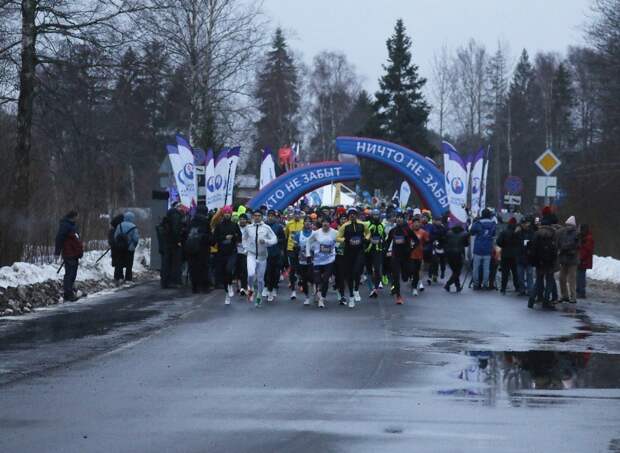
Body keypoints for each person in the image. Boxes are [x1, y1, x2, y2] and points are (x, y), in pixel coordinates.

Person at [243, 210, 277, 307]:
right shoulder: (248, 228)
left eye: (259, 216)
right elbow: (244, 238)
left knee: (260, 279)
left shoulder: (266, 228)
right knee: (250, 274)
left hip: (262, 256)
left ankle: (259, 296)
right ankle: (251, 289)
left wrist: (266, 242)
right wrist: (245, 248)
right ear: (253, 217)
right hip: (251, 254)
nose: (257, 217)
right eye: (255, 216)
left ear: (262, 217)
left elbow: (274, 239)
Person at [337, 208, 370, 308]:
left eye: (354, 214)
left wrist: (365, 239)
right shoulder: (344, 226)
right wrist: (345, 240)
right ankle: (351, 297)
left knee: (357, 271)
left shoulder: (362, 224)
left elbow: (368, 233)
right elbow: (338, 237)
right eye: (350, 214)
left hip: (359, 251)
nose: (352, 216)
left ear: (357, 215)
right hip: (348, 253)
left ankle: (356, 290)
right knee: (350, 275)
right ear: (348, 216)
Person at [385, 212, 418, 304]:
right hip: (395, 256)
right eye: (397, 217)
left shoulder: (407, 230)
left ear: (404, 219)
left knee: (405, 276)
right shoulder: (393, 231)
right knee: (396, 276)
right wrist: (384, 252)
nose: (399, 219)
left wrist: (411, 249)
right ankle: (398, 296)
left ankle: (406, 276)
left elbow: (416, 241)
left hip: (406, 257)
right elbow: (387, 242)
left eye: (401, 217)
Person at [528, 212, 558, 309]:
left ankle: (531, 299)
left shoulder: (536, 234)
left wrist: (534, 260)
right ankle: (546, 300)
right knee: (549, 281)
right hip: (549, 262)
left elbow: (533, 249)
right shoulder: (553, 233)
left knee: (538, 281)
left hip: (539, 262)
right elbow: (555, 248)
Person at [306, 217, 338, 308]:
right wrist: (308, 254)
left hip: (329, 260)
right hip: (318, 261)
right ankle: (318, 291)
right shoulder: (316, 233)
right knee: (317, 280)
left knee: (325, 280)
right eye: (324, 222)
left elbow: (341, 240)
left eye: (327, 222)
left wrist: (337, 248)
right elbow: (308, 241)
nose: (325, 224)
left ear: (330, 223)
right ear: (321, 223)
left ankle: (322, 299)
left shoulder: (335, 233)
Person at [213, 205, 242, 304]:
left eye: (228, 213)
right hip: (221, 252)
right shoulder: (219, 226)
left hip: (232, 252)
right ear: (223, 214)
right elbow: (214, 239)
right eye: (225, 213)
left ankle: (230, 285)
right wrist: (224, 237)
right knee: (224, 273)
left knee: (229, 269)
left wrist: (233, 237)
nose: (227, 215)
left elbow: (239, 238)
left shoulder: (234, 225)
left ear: (231, 214)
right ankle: (227, 293)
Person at [54, 210, 84, 301]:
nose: (78, 218)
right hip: (69, 253)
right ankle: (68, 293)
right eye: (77, 216)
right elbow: (59, 238)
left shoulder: (72, 225)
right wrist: (57, 252)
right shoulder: (65, 225)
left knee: (73, 273)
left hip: (74, 253)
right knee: (69, 273)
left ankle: (70, 292)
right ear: (73, 216)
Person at [158, 202, 186, 289]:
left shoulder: (169, 214)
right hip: (174, 244)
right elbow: (176, 229)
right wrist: (178, 241)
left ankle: (165, 282)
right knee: (175, 263)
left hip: (166, 243)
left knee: (166, 262)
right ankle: (174, 282)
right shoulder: (176, 215)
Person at [184, 207, 211, 293]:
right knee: (203, 268)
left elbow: (185, 235)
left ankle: (194, 287)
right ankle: (204, 287)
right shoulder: (205, 222)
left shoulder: (191, 221)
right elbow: (208, 236)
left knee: (193, 268)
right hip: (203, 249)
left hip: (191, 249)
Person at [470, 208, 496, 290]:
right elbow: (494, 234)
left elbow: (471, 232)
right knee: (486, 268)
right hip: (488, 248)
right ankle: (485, 284)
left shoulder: (478, 223)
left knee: (476, 268)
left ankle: (476, 284)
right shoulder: (492, 224)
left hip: (478, 248)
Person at [556, 216, 580, 304]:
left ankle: (573, 297)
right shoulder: (563, 233)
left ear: (573, 225)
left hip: (572, 260)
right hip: (563, 259)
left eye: (569, 225)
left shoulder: (577, 234)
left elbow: (576, 245)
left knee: (572, 279)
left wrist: (564, 247)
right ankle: (564, 295)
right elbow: (559, 243)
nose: (568, 226)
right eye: (567, 225)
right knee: (561, 278)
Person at [113, 211, 140, 283]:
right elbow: (136, 238)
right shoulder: (134, 227)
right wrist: (133, 246)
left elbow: (115, 236)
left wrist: (119, 244)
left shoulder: (119, 225)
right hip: (129, 248)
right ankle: (128, 278)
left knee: (120, 262)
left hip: (120, 247)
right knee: (129, 263)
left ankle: (119, 277)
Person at [265, 210, 286, 302]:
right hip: (265, 253)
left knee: (276, 272)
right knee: (267, 272)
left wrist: (278, 241)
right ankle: (268, 288)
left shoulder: (279, 227)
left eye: (272, 216)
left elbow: (283, 239)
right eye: (269, 216)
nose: (270, 217)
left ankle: (274, 287)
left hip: (276, 252)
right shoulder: (264, 227)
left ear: (275, 217)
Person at [496, 217, 521, 294]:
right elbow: (520, 243)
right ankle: (517, 287)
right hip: (515, 255)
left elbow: (498, 242)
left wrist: (504, 245)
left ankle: (503, 289)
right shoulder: (518, 233)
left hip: (505, 255)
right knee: (515, 272)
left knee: (505, 273)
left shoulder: (504, 232)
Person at [443, 222, 469, 292]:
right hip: (458, 254)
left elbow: (445, 242)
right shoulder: (465, 234)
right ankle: (448, 284)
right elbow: (466, 244)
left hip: (449, 254)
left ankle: (458, 286)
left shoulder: (448, 233)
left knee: (455, 271)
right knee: (457, 272)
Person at [293, 218, 314, 305]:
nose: (308, 224)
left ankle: (316, 292)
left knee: (312, 278)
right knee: (304, 279)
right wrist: (296, 247)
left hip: (313, 260)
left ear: (312, 224)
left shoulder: (315, 234)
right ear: (303, 223)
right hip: (302, 260)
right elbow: (295, 246)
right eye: (306, 222)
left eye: (309, 222)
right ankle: (307, 297)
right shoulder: (298, 234)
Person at [366, 209, 386, 298]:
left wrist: (382, 242)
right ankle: (371, 289)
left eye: (377, 215)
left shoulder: (382, 225)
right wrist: (368, 239)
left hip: (378, 250)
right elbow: (364, 235)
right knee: (369, 270)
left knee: (377, 269)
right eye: (374, 215)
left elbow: (384, 236)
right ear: (371, 216)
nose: (375, 217)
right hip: (368, 250)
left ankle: (375, 288)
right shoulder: (367, 224)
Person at [284, 208, 304, 300]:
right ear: (293, 215)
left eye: (298, 214)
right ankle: (293, 290)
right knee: (292, 269)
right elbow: (286, 235)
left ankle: (301, 282)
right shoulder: (289, 224)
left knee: (300, 268)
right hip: (291, 249)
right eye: (295, 214)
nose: (297, 215)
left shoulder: (303, 223)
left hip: (300, 249)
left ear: (300, 215)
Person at [516, 216, 536, 297]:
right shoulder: (519, 233)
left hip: (529, 257)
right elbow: (514, 242)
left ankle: (530, 290)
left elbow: (534, 244)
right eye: (523, 224)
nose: (524, 225)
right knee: (520, 275)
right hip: (520, 257)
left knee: (529, 275)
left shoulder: (532, 233)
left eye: (525, 223)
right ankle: (522, 289)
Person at [409, 217, 429, 296]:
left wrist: (424, 248)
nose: (416, 224)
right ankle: (411, 279)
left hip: (419, 255)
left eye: (418, 222)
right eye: (415, 222)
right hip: (409, 255)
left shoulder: (423, 232)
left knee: (416, 272)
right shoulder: (409, 231)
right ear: (412, 223)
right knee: (411, 270)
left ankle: (414, 288)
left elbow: (427, 242)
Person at [577, 224, 594, 299]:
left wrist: (580, 258)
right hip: (583, 259)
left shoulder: (588, 239)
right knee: (579, 275)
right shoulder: (586, 238)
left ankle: (581, 292)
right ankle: (579, 290)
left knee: (581, 276)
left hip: (584, 260)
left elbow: (586, 250)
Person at [235, 214, 249, 296]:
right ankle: (238, 286)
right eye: (241, 219)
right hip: (236, 251)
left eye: (244, 219)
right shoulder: (236, 227)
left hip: (246, 252)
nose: (242, 220)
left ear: (246, 220)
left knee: (244, 270)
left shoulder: (249, 228)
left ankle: (244, 287)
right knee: (237, 270)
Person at [108, 213, 124, 282]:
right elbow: (112, 241)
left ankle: (119, 277)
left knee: (118, 263)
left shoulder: (112, 230)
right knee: (119, 263)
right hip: (118, 249)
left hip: (115, 249)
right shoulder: (117, 230)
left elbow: (111, 241)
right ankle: (118, 277)